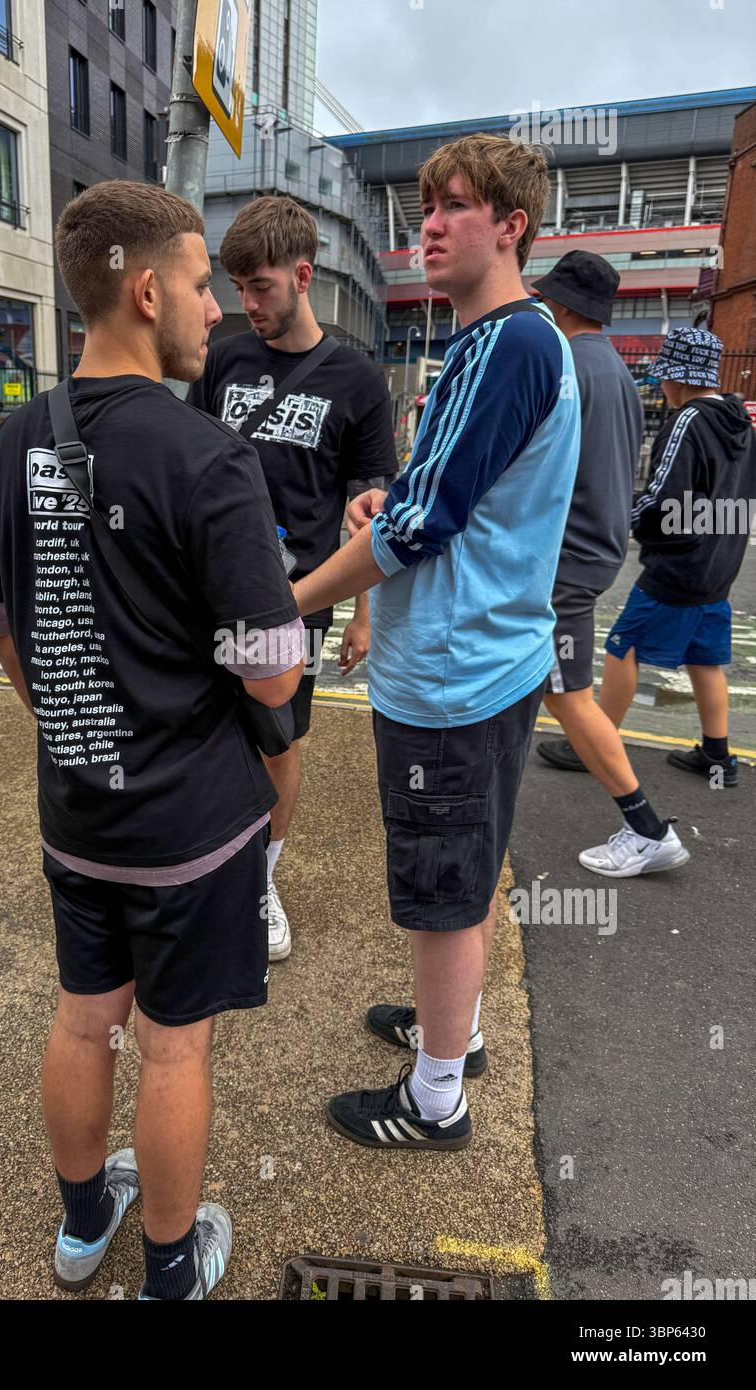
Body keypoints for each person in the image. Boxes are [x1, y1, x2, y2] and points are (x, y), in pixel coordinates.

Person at [0, 181, 304, 1299]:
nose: (216, 309)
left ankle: (81, 1230)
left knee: (82, 1020)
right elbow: (272, 669)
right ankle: (168, 1269)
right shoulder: (209, 457)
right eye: (202, 285)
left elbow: (1, 628)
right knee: (171, 1044)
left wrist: (73, 719)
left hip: (77, 810)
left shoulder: (14, 442)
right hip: (189, 828)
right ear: (147, 290)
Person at [291, 133, 580, 1150]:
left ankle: (435, 1098)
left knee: (445, 894)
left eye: (455, 206)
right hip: (489, 658)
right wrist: (393, 497)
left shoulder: (506, 346)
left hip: (455, 674)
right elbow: (442, 500)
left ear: (511, 225)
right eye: (426, 210)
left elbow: (421, 531)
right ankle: (451, 1028)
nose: (432, 226)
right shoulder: (509, 342)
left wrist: (292, 601)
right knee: (466, 867)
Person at [187, 195, 397, 962]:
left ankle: (260, 882)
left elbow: (368, 515)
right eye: (238, 287)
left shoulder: (358, 380)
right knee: (203, 735)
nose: (246, 303)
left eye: (261, 287)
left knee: (277, 743)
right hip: (203, 592)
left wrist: (362, 616)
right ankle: (207, 869)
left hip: (293, 603)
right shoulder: (223, 361)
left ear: (303, 277)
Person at [529, 250, 688, 877]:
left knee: (568, 696)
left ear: (562, 303)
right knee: (544, 684)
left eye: (545, 297)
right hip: (595, 550)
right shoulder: (615, 369)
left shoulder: (567, 365)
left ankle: (647, 828)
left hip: (566, 559)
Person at [595, 327, 754, 795]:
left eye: (664, 377)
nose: (662, 387)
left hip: (679, 566)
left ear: (678, 378)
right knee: (706, 658)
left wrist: (623, 517)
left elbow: (664, 498)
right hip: (720, 563)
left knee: (622, 645)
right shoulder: (741, 424)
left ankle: (595, 745)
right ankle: (716, 755)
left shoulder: (688, 422)